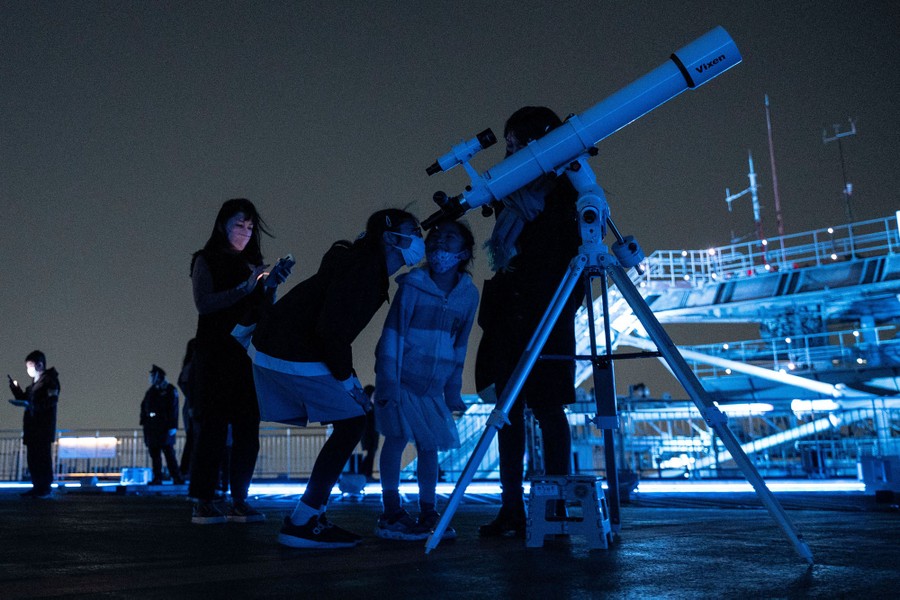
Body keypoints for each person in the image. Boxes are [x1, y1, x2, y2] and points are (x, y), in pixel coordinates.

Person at [248, 208, 422, 548]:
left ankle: (308, 515)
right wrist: (348, 382)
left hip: (283, 346)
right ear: (391, 237)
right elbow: (332, 331)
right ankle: (304, 520)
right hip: (293, 350)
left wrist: (348, 381)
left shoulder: (362, 265)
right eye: (412, 230)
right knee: (353, 420)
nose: (420, 238)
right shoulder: (365, 271)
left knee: (351, 419)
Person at [475, 106, 583, 537]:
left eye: (518, 144)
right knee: (509, 413)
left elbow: (568, 259)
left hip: (548, 315)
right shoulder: (512, 200)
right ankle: (512, 508)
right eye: (510, 146)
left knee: (548, 410)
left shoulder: (563, 198)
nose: (511, 153)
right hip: (510, 320)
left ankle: (554, 506)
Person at [373, 218, 479, 540]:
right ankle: (391, 509)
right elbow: (393, 333)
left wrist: (452, 389)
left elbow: (461, 343)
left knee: (429, 446)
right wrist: (388, 381)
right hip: (402, 378)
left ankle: (428, 510)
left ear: (463, 253)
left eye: (449, 238)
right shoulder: (413, 286)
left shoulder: (468, 295)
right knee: (396, 438)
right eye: (435, 237)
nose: (438, 244)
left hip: (434, 385)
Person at [188, 198, 292, 525]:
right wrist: (245, 286)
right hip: (215, 353)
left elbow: (263, 310)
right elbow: (204, 304)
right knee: (213, 429)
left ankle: (239, 499)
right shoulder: (205, 260)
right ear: (222, 225)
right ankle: (203, 500)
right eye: (239, 224)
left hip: (246, 356)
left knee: (248, 429)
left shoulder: (254, 264)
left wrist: (270, 285)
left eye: (250, 227)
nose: (245, 232)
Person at [7, 350, 60, 498]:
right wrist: (15, 388)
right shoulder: (34, 385)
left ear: (39, 364)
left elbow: (52, 400)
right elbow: (26, 398)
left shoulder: (50, 381)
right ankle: (37, 487)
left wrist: (34, 406)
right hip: (32, 427)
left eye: (29, 365)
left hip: (42, 427)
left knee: (42, 457)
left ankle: (44, 488)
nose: (28, 369)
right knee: (33, 459)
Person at [140, 365, 183, 485]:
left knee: (169, 453)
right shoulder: (151, 391)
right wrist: (145, 421)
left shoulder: (169, 390)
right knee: (155, 455)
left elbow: (173, 409)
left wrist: (172, 426)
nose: (151, 378)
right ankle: (157, 478)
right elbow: (144, 407)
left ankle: (177, 477)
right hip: (152, 428)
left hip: (164, 428)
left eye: (152, 376)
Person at [176, 339, 196, 481]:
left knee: (193, 439)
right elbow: (183, 383)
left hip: (192, 407)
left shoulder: (189, 367)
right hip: (193, 408)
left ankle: (186, 470)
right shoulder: (191, 367)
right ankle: (186, 470)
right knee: (193, 439)